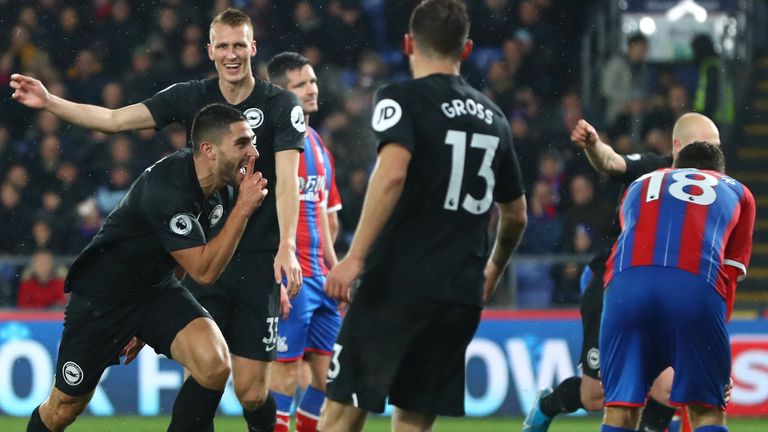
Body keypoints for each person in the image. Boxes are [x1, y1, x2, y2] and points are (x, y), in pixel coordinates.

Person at [11, 9, 304, 431]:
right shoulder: (178, 161)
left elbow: (287, 180)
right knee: (64, 409)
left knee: (224, 372)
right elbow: (114, 120)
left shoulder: (273, 112)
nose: (232, 53)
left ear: (253, 48)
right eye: (222, 45)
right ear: (210, 51)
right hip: (129, 284)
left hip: (221, 262)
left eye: (240, 44)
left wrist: (286, 246)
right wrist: (51, 102)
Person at [318, 1, 528, 431]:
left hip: (399, 283)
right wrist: (492, 270)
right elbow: (517, 215)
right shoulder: (496, 119)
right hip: (460, 293)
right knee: (413, 422)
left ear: (408, 43)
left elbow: (392, 173)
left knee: (341, 414)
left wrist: (355, 257)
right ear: (466, 49)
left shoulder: (401, 98)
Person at [25, 103, 268, 432]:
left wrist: (151, 324)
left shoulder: (220, 189)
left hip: (156, 291)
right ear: (209, 150)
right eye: (242, 143)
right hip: (103, 299)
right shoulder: (167, 189)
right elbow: (205, 272)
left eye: (252, 141)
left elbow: (184, 257)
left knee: (214, 363)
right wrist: (243, 210)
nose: (252, 151)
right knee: (63, 409)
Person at [524, 112, 722, 432]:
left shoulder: (719, 190)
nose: (712, 155)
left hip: (664, 292)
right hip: (612, 284)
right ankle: (547, 405)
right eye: (703, 146)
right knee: (595, 395)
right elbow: (612, 162)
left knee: (668, 388)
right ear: (676, 146)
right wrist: (594, 146)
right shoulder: (652, 169)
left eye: (716, 146)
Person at [601, 141, 754, 432]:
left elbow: (630, 235)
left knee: (620, 407)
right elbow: (729, 276)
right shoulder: (737, 191)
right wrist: (715, 348)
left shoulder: (638, 185)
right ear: (719, 171)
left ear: (675, 166)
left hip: (625, 287)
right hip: (693, 286)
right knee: (705, 410)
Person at [266, 51, 342, 432]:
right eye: (301, 84)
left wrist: (338, 270)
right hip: (291, 277)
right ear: (282, 93)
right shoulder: (271, 146)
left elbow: (326, 221)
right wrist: (273, 275)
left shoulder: (319, 147)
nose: (312, 89)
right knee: (286, 372)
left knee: (325, 375)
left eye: (312, 81)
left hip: (322, 278)